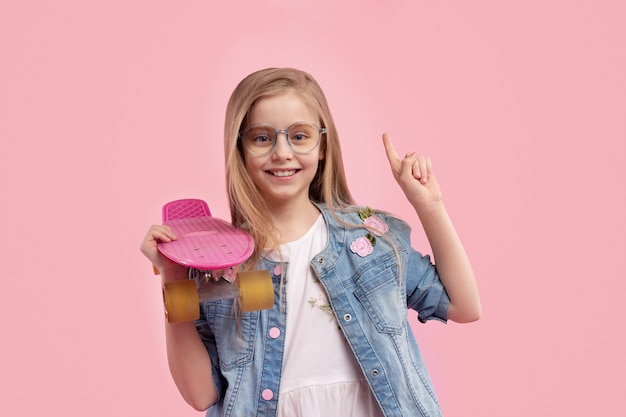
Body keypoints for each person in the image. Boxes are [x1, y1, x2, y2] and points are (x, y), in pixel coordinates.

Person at [140, 67, 481, 417]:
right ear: (239, 148)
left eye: (299, 136)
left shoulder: (370, 239)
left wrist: (429, 205)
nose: (282, 152)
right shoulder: (221, 268)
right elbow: (200, 394)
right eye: (261, 138)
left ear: (323, 146)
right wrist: (173, 276)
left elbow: (464, 306)